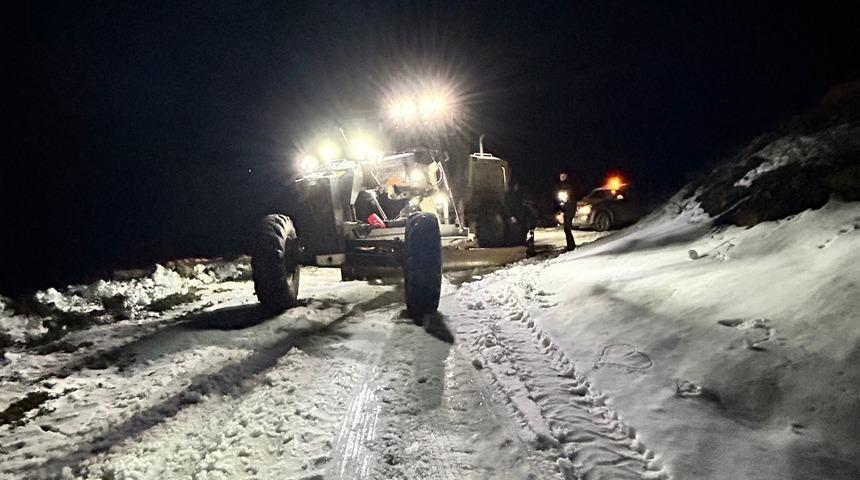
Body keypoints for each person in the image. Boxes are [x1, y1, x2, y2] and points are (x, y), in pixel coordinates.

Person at [557, 172, 577, 251]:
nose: (561, 177)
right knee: (566, 228)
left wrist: (564, 200)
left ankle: (571, 246)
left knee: (567, 228)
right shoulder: (563, 185)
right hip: (567, 208)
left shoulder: (567, 186)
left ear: (566, 176)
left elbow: (568, 197)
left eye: (563, 176)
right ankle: (571, 245)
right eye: (560, 176)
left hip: (569, 209)